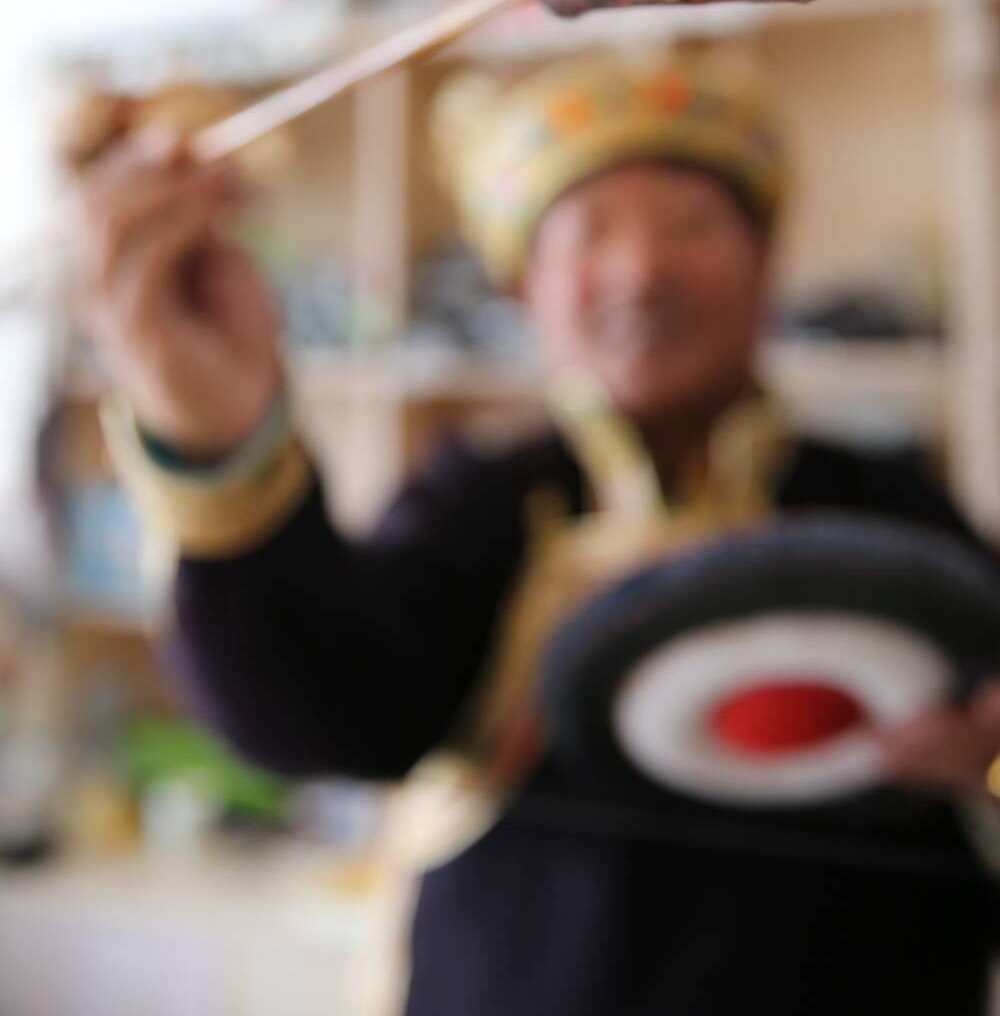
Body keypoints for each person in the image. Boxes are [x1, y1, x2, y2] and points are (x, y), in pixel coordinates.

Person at [79, 52, 1000, 1016]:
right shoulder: (482, 500)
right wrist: (218, 435)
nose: (640, 271)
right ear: (524, 288)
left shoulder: (890, 504)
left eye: (692, 226)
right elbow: (322, 708)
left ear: (766, 262)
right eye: (589, 233)